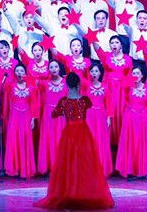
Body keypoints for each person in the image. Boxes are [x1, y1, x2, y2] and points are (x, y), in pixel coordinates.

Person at [35, 72, 114, 210]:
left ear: (66, 85)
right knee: (84, 162)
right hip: (83, 133)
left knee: (68, 162)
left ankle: (69, 191)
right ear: (78, 85)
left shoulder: (64, 101)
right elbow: (89, 106)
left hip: (69, 134)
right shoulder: (85, 100)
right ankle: (83, 191)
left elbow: (54, 114)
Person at [114, 64, 147, 179]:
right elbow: (123, 85)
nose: (135, 75)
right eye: (133, 73)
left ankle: (141, 169)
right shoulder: (128, 87)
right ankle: (129, 169)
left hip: (143, 118)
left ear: (142, 75)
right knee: (130, 142)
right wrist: (129, 76)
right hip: (130, 118)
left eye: (137, 73)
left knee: (140, 142)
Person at [96, 35, 133, 145]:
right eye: (112, 43)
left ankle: (121, 141)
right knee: (109, 111)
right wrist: (92, 39)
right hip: (109, 89)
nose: (114, 45)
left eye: (116, 42)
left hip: (122, 90)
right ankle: (108, 141)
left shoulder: (128, 59)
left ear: (121, 45)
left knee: (121, 112)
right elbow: (98, 50)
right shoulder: (106, 57)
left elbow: (130, 76)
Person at [3, 63, 39, 178]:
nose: (19, 73)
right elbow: (6, 99)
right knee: (14, 140)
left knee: (25, 140)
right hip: (14, 116)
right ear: (14, 73)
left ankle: (25, 169)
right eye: (17, 71)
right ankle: (14, 168)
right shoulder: (10, 86)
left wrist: (33, 118)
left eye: (22, 71)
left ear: (25, 73)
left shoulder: (31, 87)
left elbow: (34, 103)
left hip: (26, 116)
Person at [37, 60, 68, 175]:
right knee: (49, 139)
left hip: (61, 115)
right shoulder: (44, 84)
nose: (54, 69)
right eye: (51, 67)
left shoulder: (66, 82)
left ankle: (61, 167)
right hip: (48, 115)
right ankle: (49, 166)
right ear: (48, 70)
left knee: (60, 139)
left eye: (56, 66)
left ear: (59, 68)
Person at [83, 63, 113, 177]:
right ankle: (88, 168)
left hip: (101, 115)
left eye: (96, 71)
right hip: (89, 115)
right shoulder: (86, 86)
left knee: (101, 140)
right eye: (92, 71)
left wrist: (109, 117)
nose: (94, 73)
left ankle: (101, 167)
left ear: (100, 73)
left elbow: (109, 102)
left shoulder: (105, 86)